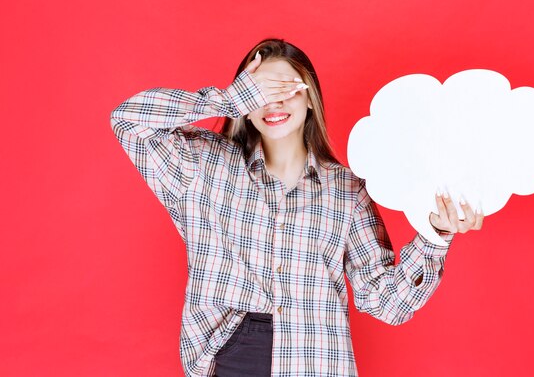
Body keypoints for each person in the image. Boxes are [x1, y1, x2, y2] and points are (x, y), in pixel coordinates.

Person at [110, 38, 483, 377]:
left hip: (318, 361)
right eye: (260, 92)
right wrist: (229, 98)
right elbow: (127, 120)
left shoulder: (346, 190)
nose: (274, 103)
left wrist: (435, 236)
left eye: (287, 89)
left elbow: (385, 302)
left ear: (310, 98)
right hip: (233, 358)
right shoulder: (202, 166)